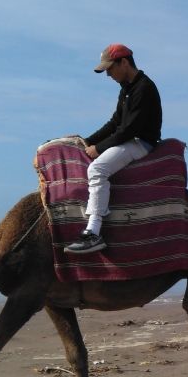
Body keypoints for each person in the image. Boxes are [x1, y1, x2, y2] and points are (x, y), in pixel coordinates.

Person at [65, 44, 162, 254]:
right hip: (129, 138)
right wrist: (85, 140)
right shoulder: (126, 88)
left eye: (110, 69)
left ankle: (93, 233)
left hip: (140, 142)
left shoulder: (144, 88)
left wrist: (98, 149)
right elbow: (115, 123)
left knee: (96, 169)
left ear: (124, 62)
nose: (108, 74)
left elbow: (129, 129)